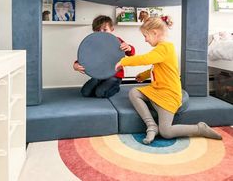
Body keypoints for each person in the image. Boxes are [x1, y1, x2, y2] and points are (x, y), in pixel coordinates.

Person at [115, 16, 222, 144]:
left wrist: (124, 61)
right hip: (157, 90)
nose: (145, 40)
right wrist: (144, 75)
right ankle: (151, 126)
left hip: (168, 95)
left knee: (166, 132)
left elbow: (146, 59)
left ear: (154, 32)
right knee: (134, 92)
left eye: (145, 36)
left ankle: (200, 129)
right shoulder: (161, 49)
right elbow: (156, 68)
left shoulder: (165, 48)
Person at [73, 15, 135, 98]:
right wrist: (76, 64)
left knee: (100, 93)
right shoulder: (93, 43)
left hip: (115, 75)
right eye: (98, 30)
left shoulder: (117, 41)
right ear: (94, 31)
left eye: (105, 30)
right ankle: (101, 86)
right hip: (99, 74)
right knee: (85, 92)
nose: (101, 32)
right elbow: (85, 56)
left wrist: (129, 48)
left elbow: (131, 53)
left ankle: (115, 87)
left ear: (112, 29)